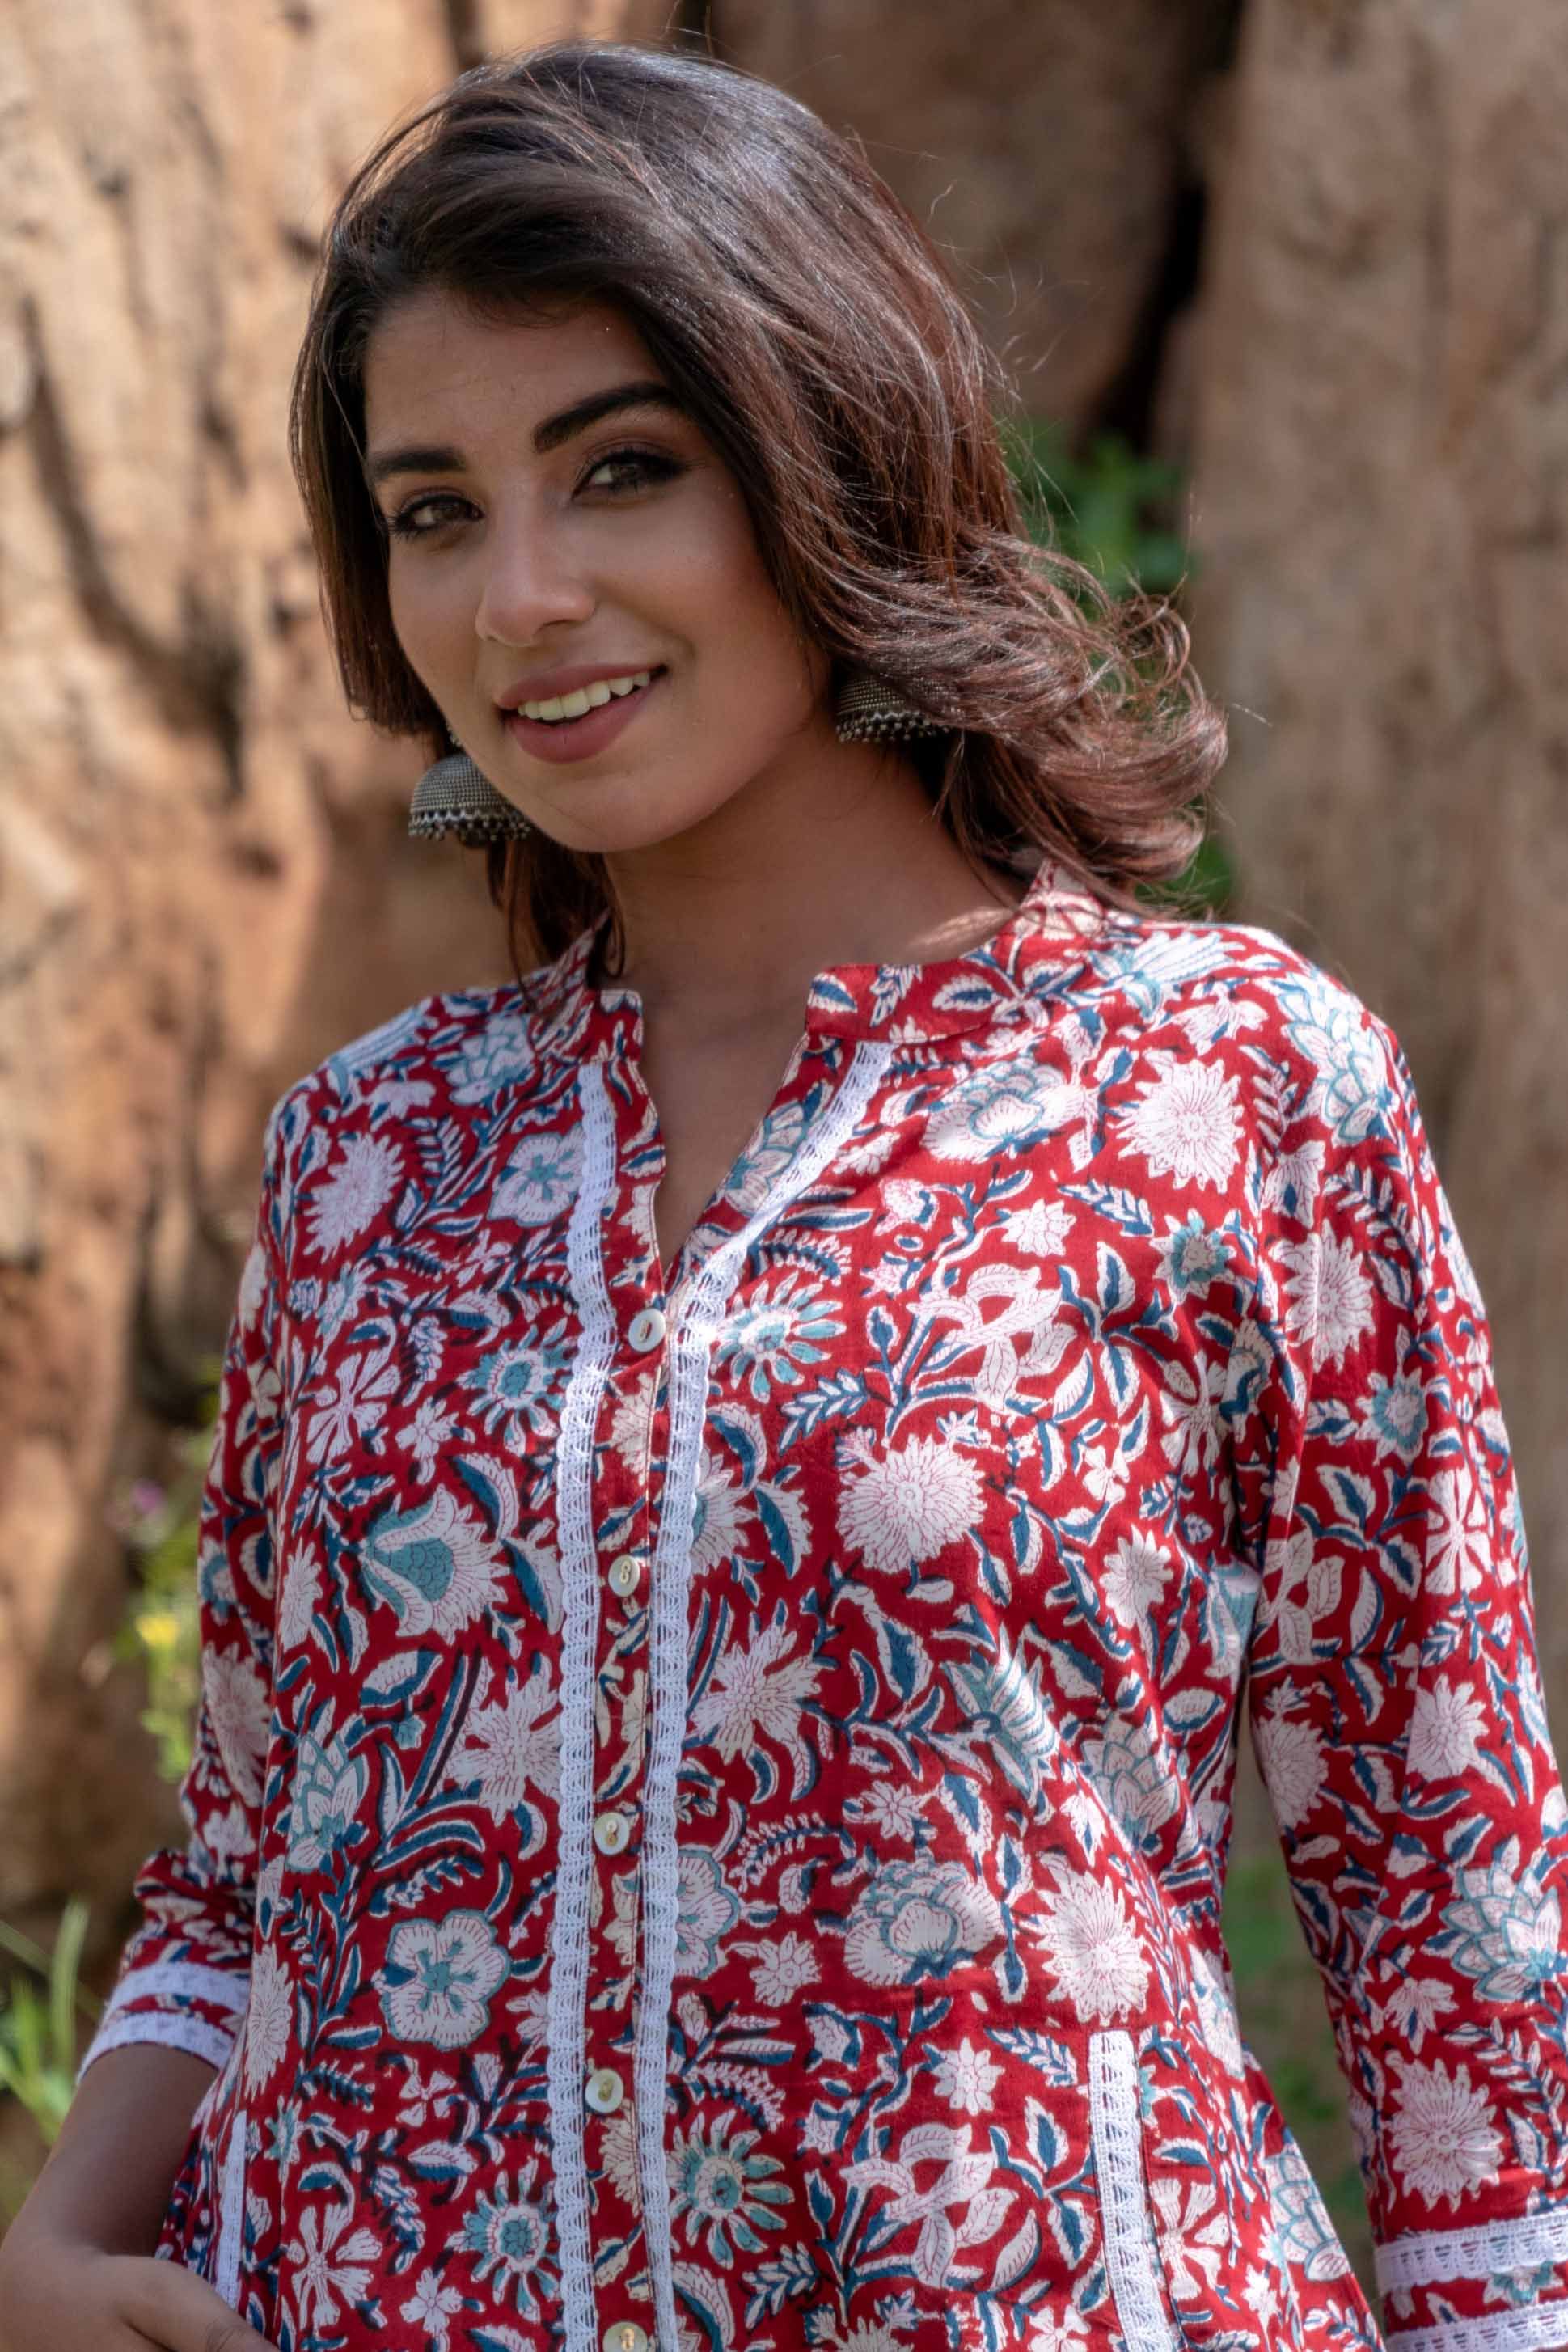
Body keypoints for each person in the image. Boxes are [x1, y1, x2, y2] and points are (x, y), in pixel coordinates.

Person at [4, 34, 1566, 2352]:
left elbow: (1443, 1913)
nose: (519, 592)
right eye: (432, 508)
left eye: (617, 469)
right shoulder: (374, 1153)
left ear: (821, 448)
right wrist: (50, 2254)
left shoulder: (1221, 1079)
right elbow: (245, 1858)